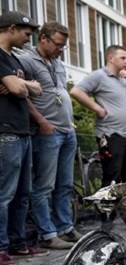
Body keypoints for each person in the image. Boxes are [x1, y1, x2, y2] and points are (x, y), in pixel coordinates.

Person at [18, 21, 81, 250]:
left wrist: (70, 123)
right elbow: (21, 94)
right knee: (44, 186)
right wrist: (42, 122)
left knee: (64, 184)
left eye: (64, 45)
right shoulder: (26, 60)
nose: (60, 49)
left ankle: (65, 227)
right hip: (46, 133)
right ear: (43, 38)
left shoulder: (57, 62)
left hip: (66, 131)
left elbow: (59, 92)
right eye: (57, 44)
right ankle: (48, 233)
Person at [70, 45, 126, 228]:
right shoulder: (99, 76)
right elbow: (76, 91)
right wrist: (97, 108)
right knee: (111, 175)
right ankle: (106, 219)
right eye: (123, 58)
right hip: (110, 135)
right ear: (111, 58)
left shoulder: (125, 80)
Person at [0, 11, 47, 265]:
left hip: (22, 131)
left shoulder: (13, 59)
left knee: (22, 193)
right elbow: (20, 90)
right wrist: (22, 85)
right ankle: (1, 248)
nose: (28, 39)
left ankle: (18, 243)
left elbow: (37, 89)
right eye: (26, 34)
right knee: (4, 193)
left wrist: (20, 83)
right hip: (5, 131)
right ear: (12, 28)